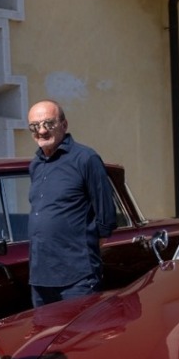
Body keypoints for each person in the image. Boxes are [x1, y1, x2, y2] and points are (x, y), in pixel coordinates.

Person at [25, 100, 116, 306]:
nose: (41, 131)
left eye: (48, 124)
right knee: (45, 336)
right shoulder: (36, 165)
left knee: (79, 337)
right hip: (40, 277)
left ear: (64, 125)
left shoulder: (85, 159)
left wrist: (82, 250)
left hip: (78, 277)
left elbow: (106, 216)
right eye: (34, 126)